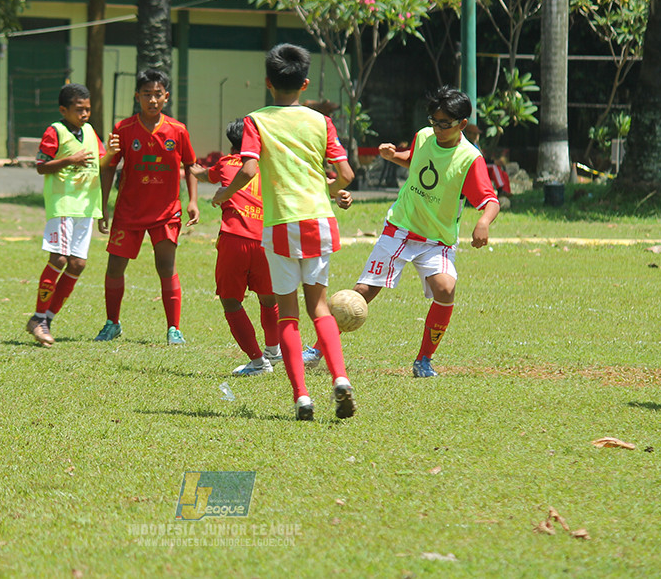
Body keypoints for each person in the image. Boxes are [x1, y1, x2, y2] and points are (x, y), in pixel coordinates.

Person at [213, 43, 355, 421]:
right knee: (320, 308)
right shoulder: (320, 121)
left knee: (288, 315)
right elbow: (345, 176)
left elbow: (247, 171)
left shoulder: (255, 121)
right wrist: (328, 188)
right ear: (304, 84)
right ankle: (339, 378)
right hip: (319, 221)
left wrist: (222, 195)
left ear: (267, 82)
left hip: (280, 226)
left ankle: (302, 398)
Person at [321, 86, 499, 377]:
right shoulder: (424, 135)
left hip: (437, 241)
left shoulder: (469, 158)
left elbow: (490, 200)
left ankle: (424, 361)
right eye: (434, 121)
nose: (438, 128)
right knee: (363, 292)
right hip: (400, 228)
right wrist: (395, 156)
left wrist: (483, 222)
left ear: (462, 124)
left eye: (445, 124)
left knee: (446, 288)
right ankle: (318, 349)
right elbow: (415, 160)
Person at [94, 69, 199, 344]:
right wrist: (103, 206)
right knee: (115, 267)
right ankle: (112, 323)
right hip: (129, 212)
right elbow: (108, 169)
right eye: (146, 95)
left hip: (166, 212)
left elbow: (190, 166)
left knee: (166, 266)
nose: (152, 100)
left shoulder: (178, 130)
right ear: (137, 96)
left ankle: (173, 329)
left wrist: (194, 202)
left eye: (157, 95)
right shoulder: (123, 129)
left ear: (166, 96)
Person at [25, 83, 115, 347]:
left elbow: (101, 162)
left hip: (85, 206)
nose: (85, 114)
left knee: (77, 264)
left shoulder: (89, 131)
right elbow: (41, 166)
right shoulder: (56, 131)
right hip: (63, 204)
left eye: (87, 109)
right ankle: (39, 317)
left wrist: (111, 151)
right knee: (60, 258)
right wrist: (68, 161)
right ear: (64, 110)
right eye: (79, 110)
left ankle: (45, 320)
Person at [189, 118, 281, 377]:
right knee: (269, 298)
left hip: (235, 239)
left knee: (231, 301)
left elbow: (205, 175)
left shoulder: (226, 163)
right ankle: (274, 351)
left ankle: (258, 362)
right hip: (267, 239)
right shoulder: (271, 166)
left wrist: (193, 169)